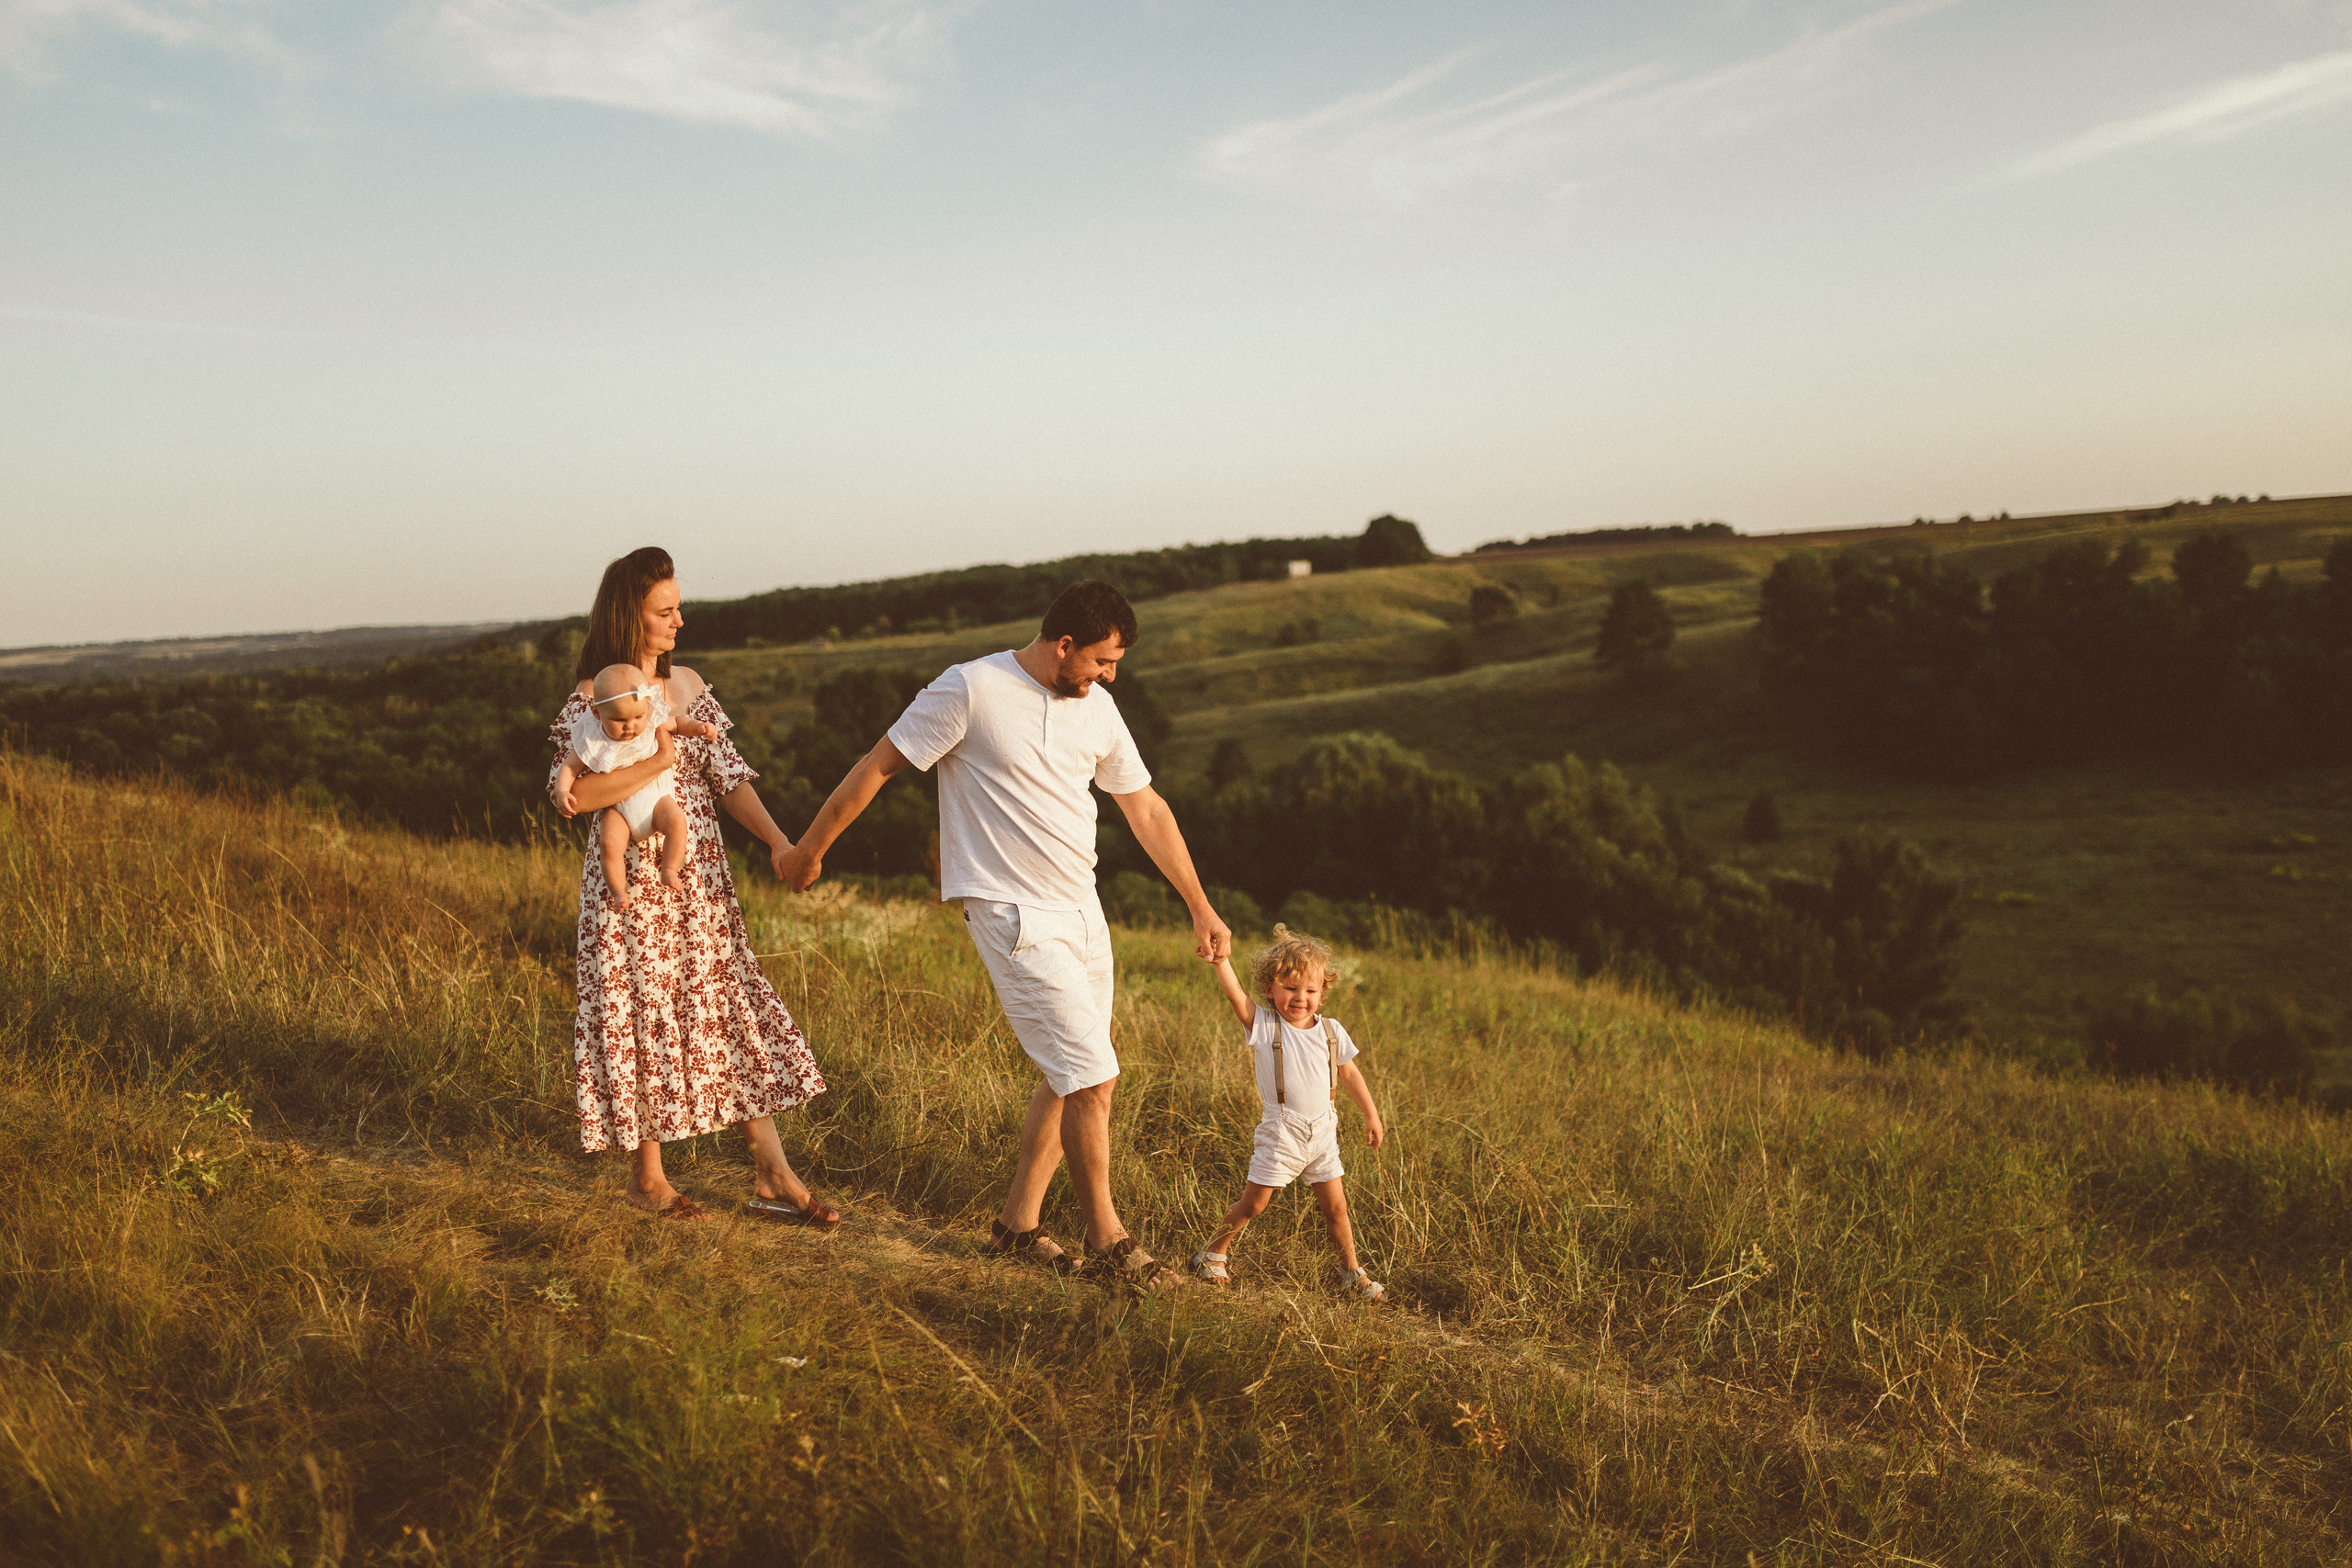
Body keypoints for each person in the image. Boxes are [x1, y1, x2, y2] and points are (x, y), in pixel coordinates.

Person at [776, 580, 1228, 1289]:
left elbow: (1146, 809)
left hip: (1084, 910)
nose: (1111, 676)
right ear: (1065, 644)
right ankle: (1111, 1245)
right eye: (1103, 661)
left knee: (1070, 1068)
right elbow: (878, 767)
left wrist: (1200, 905)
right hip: (1011, 912)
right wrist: (809, 848)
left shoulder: (1099, 709)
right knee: (1093, 1076)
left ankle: (1017, 1228)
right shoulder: (971, 689)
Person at [548, 547, 840, 1225]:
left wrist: (778, 843)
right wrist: (657, 758)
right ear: (630, 616)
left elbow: (729, 778)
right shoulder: (592, 698)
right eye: (665, 611)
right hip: (630, 882)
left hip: (699, 871)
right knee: (647, 1010)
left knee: (720, 1001)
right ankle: (648, 1177)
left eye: (680, 607)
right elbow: (578, 795)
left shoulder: (688, 687)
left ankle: (772, 1169)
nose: (681, 620)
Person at [1192, 925, 1386, 1301]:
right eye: (1290, 988)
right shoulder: (1266, 1025)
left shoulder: (1331, 1031)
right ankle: (1212, 1253)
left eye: (1310, 990)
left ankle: (1350, 1271)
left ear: (1322, 993)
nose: (1300, 998)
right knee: (1255, 1203)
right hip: (1283, 1132)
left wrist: (1370, 1114)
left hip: (1324, 1131)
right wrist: (1221, 962)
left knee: (1336, 1207)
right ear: (1270, 988)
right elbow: (1235, 996)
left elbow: (1349, 1072)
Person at [554, 661, 717, 908]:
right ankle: (619, 892)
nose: (630, 726)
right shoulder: (593, 737)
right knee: (609, 845)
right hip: (618, 806)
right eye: (619, 720)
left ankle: (670, 869)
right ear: (598, 714)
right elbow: (569, 766)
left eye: (637, 716)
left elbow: (679, 723)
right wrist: (562, 789)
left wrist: (700, 727)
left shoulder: (652, 720)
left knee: (677, 822)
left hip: (658, 797)